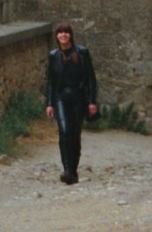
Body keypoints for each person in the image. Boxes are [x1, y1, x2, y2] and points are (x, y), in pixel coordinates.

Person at [44, 21, 99, 185]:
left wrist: (91, 101)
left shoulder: (82, 52)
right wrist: (49, 103)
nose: (63, 35)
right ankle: (67, 169)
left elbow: (90, 78)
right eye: (60, 33)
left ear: (71, 35)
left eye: (66, 32)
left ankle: (73, 170)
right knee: (64, 132)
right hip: (61, 98)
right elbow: (51, 82)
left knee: (75, 134)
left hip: (78, 97)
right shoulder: (54, 55)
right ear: (56, 36)